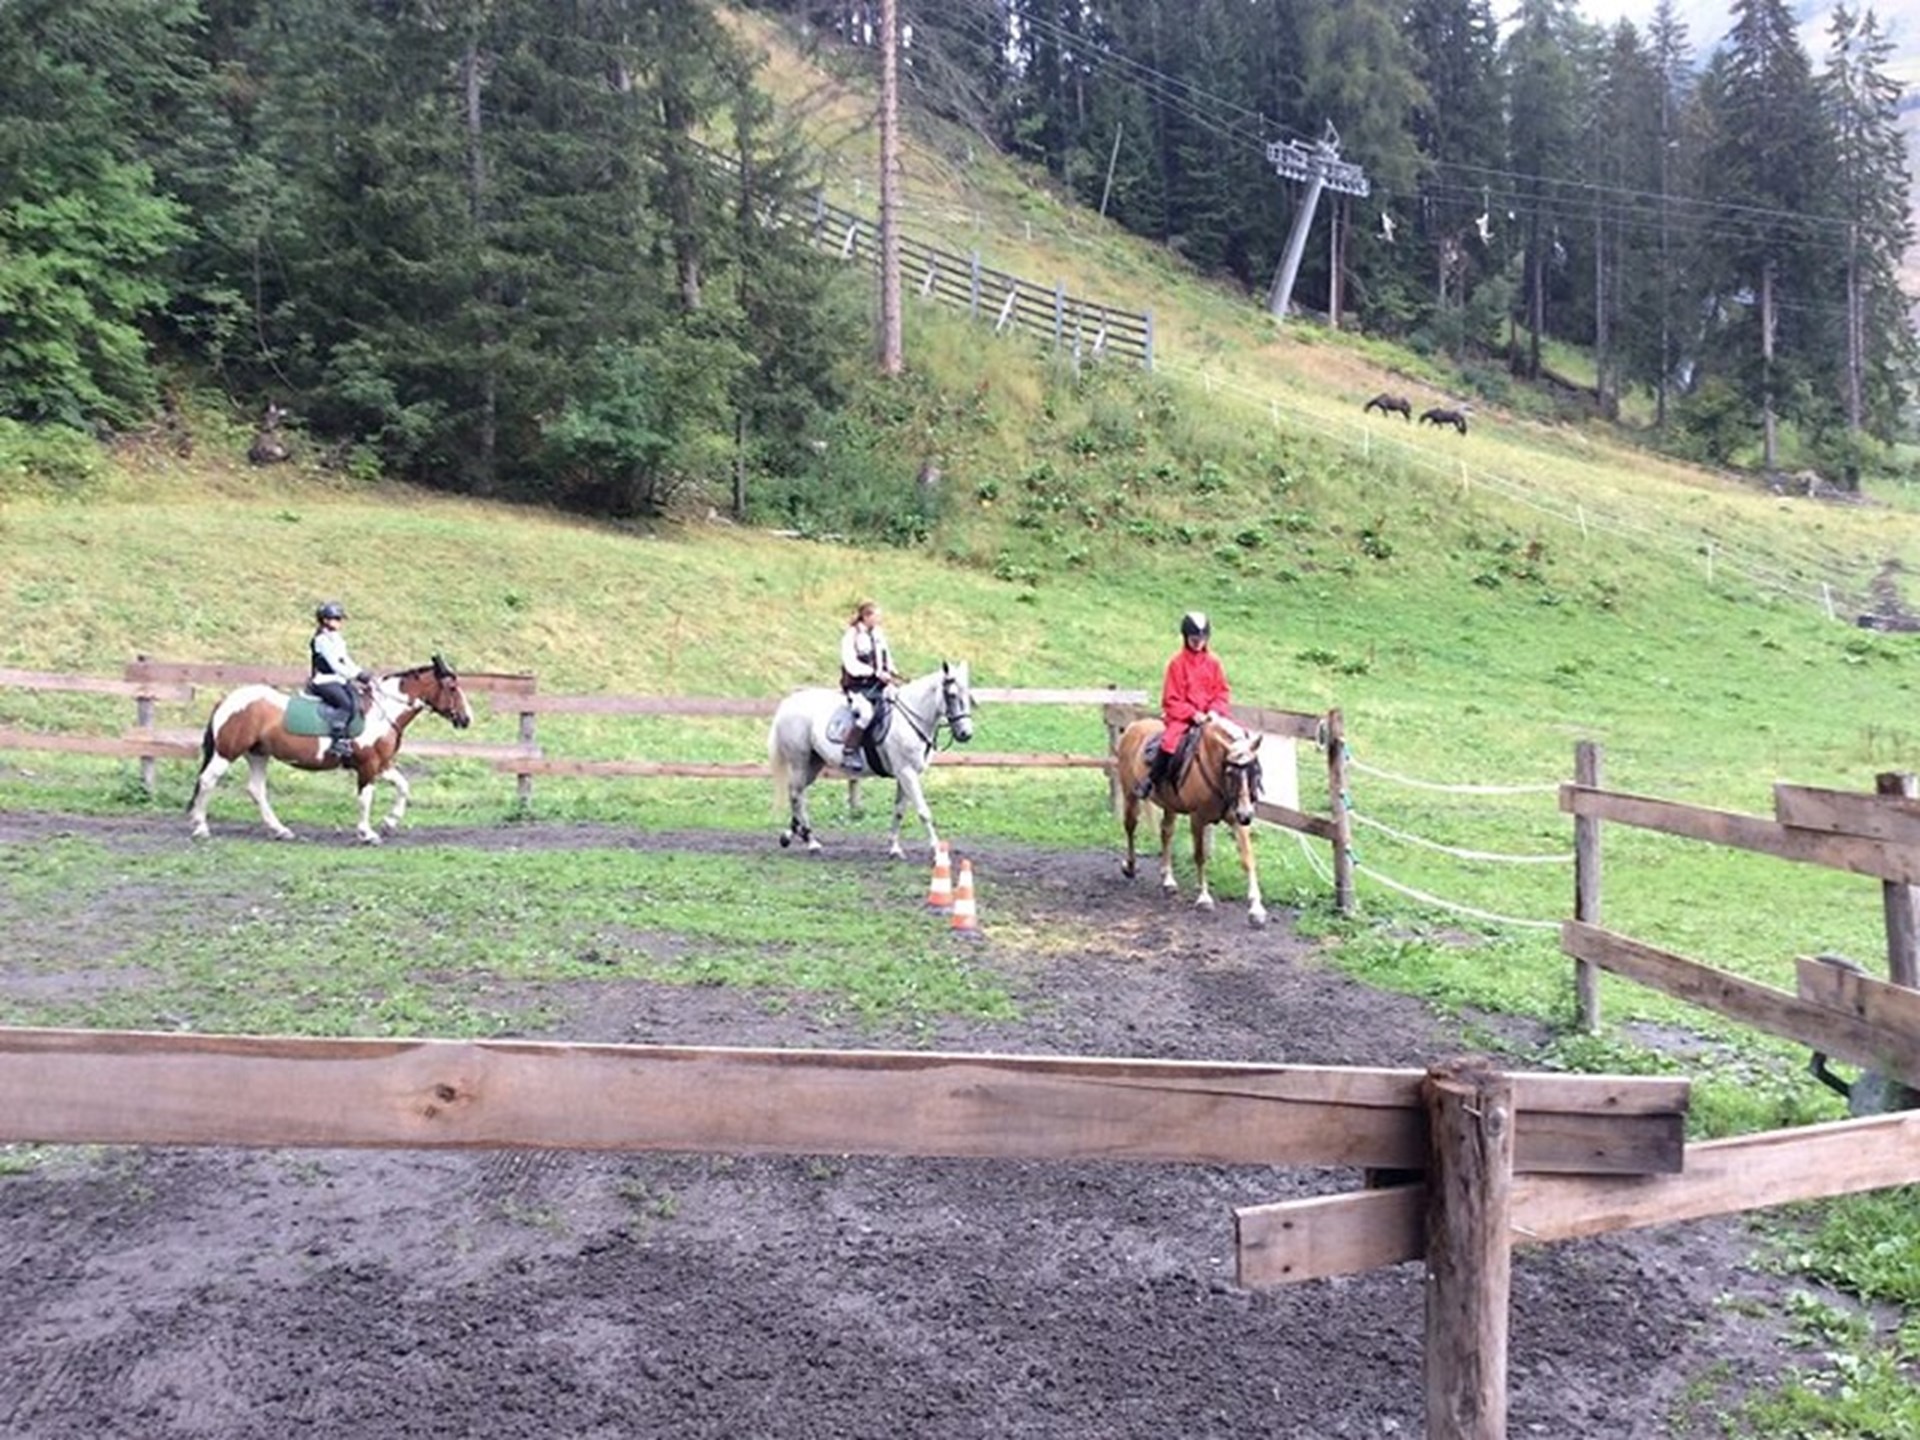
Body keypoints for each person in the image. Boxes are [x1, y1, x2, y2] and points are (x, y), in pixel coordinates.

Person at [1136, 610, 1232, 798]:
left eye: (1202, 639)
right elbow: (1170, 700)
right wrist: (1192, 714)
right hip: (1183, 719)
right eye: (1194, 639)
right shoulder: (1176, 664)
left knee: (1235, 740)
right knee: (1169, 742)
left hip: (1210, 718)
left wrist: (1214, 711)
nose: (1198, 643)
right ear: (1186, 637)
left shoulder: (1214, 663)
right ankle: (1152, 780)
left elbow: (1222, 692)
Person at [839, 599, 905, 769]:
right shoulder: (851, 636)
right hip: (858, 687)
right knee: (866, 714)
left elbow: (886, 656)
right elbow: (851, 665)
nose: (879, 620)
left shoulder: (878, 634)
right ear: (866, 616)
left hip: (879, 685)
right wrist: (876, 673)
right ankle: (849, 750)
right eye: (876, 616)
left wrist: (892, 672)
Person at [308, 600, 374, 759]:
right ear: (325, 620)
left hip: (338, 680)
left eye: (340, 619)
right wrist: (355, 675)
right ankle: (336, 741)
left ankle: (351, 736)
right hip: (324, 680)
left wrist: (359, 671)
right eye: (336, 619)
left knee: (357, 700)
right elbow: (335, 664)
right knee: (345, 703)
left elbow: (345, 659)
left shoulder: (336, 638)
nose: (340, 622)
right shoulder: (321, 640)